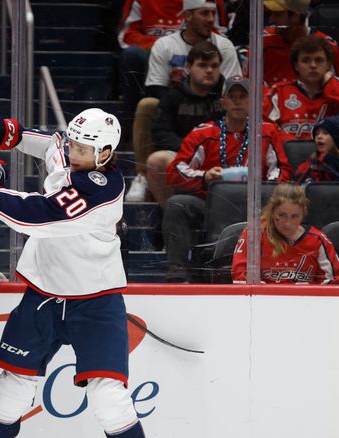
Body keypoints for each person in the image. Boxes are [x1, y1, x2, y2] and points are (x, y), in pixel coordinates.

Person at [0, 108, 167, 438]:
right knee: (12, 390)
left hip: (96, 299)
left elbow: (31, 216)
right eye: (74, 143)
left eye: (85, 148)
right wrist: (8, 130)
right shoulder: (72, 152)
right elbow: (49, 145)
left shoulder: (101, 191)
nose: (74, 152)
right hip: (43, 294)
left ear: (105, 153)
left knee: (109, 397)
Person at [163, 76, 292, 282]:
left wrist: (265, 186)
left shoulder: (266, 132)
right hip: (210, 204)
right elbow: (175, 171)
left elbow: (282, 170)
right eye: (233, 97)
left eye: (243, 97)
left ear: (253, 102)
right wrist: (205, 177)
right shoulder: (204, 133)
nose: (238, 102)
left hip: (257, 205)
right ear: (223, 103)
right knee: (177, 204)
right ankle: (178, 273)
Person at [116, 0, 227, 146]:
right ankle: (129, 127)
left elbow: (219, 33)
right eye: (205, 13)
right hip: (160, 66)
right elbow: (127, 34)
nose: (210, 18)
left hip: (206, 85)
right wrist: (162, 46)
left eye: (211, 14)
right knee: (132, 57)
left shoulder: (209, 5)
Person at [132, 41, 224, 205]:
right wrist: (190, 149)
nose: (209, 70)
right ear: (188, 68)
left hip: (221, 155)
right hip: (183, 153)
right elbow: (161, 133)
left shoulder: (227, 96)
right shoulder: (174, 97)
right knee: (156, 160)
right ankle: (170, 213)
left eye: (214, 66)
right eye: (202, 65)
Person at [264, 35, 339, 142]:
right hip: (288, 156)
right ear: (296, 65)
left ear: (328, 65)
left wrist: (330, 84)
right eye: (306, 60)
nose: (313, 65)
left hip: (331, 157)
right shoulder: (279, 91)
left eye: (319, 60)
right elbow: (266, 128)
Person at [231, 182, 339, 284]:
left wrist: (311, 290)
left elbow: (334, 281)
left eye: (295, 216)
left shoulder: (318, 240)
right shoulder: (255, 233)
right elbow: (239, 277)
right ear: (272, 212)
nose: (288, 223)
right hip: (262, 301)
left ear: (303, 214)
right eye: (281, 215)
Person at [259, 0, 339, 86]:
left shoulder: (327, 46)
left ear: (295, 16)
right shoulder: (262, 42)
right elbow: (247, 91)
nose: (271, 20)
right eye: (270, 14)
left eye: (277, 15)